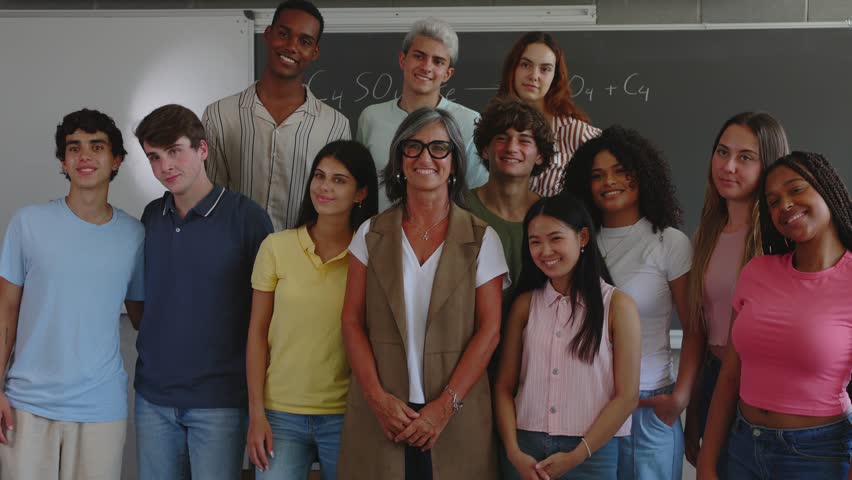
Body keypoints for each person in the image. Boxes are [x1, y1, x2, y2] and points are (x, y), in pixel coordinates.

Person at [338, 107, 508, 479]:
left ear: (455, 163)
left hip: (455, 417)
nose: (425, 157)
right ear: (400, 159)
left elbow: (490, 330)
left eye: (438, 148)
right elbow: (351, 322)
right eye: (413, 147)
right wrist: (377, 400)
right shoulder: (370, 233)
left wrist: (445, 407)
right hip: (382, 416)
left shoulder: (482, 238)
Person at [0, 109, 144, 480]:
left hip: (100, 406)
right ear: (63, 162)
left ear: (116, 160)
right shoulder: (27, 223)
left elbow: (143, 316)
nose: (85, 156)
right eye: (74, 148)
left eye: (97, 147)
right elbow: (6, 312)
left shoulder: (135, 236)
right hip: (27, 403)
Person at [133, 104, 273, 480]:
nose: (165, 167)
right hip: (154, 399)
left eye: (174, 151)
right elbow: (142, 300)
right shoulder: (150, 218)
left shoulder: (248, 219)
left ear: (202, 150)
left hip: (220, 401)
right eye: (154, 157)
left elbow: (269, 314)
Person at [697, 151, 852, 480]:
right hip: (742, 446)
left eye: (796, 190)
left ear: (826, 188)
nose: (785, 205)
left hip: (818, 455)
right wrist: (707, 464)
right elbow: (729, 377)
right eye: (773, 201)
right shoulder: (757, 271)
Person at [562, 126, 694, 480]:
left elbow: (695, 328)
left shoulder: (668, 241)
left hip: (649, 406)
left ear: (643, 174)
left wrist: (679, 398)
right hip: (591, 406)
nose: (610, 182)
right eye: (597, 175)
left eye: (621, 171)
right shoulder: (578, 242)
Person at [245, 140, 378, 479]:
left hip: (347, 414)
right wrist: (256, 413)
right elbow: (258, 334)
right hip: (279, 414)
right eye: (319, 176)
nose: (324, 187)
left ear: (361, 193)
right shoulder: (276, 247)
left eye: (339, 179)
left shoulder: (370, 256)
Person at [494, 194, 641, 480]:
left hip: (591, 453)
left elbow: (627, 397)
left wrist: (577, 456)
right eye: (535, 241)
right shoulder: (525, 305)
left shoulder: (618, 306)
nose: (545, 250)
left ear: (583, 237)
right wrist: (513, 451)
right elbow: (504, 386)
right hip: (525, 449)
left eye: (555, 238)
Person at [682, 112, 789, 475]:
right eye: (722, 152)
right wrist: (693, 403)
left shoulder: (782, 240)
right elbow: (699, 325)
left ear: (768, 165)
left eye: (746, 157)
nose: (728, 166)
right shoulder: (706, 235)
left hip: (760, 387)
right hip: (713, 378)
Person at [203, 0, 350, 231]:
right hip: (234, 260)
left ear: (315, 52)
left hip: (303, 261)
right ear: (268, 34)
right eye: (284, 33)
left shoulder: (335, 126)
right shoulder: (220, 116)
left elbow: (336, 207)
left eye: (304, 41)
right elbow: (209, 199)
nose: (292, 46)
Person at [357, 17, 488, 210]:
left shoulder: (470, 122)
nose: (426, 67)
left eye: (438, 61)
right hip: (379, 234)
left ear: (447, 74)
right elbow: (360, 185)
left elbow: (476, 194)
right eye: (419, 56)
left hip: (447, 236)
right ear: (403, 60)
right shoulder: (371, 118)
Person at [467, 97, 555, 293]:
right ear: (485, 150)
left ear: (540, 155)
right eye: (501, 138)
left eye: (524, 140)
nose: (512, 148)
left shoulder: (554, 215)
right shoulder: (459, 208)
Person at [497, 31, 600, 198]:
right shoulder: (494, 128)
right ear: (513, 69)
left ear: (555, 77)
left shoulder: (575, 132)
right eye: (525, 65)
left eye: (545, 69)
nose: (534, 76)